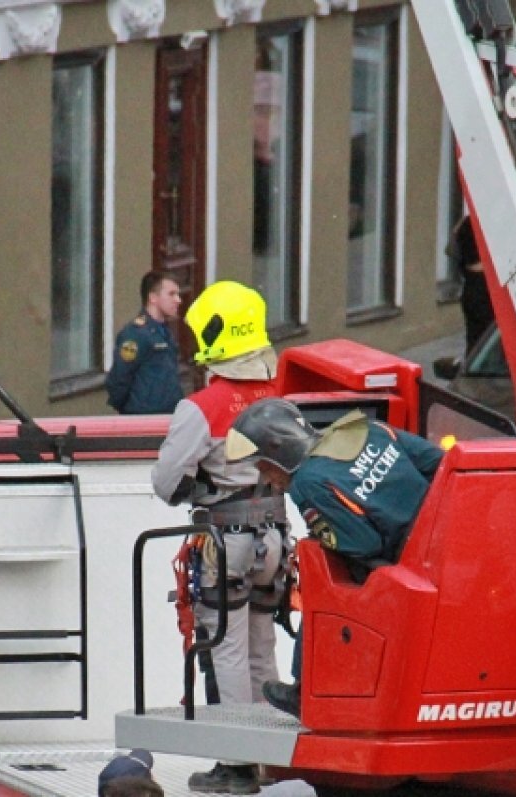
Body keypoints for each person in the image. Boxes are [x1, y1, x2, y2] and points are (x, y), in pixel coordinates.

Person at [225, 397, 444, 719]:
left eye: (265, 468)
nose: (269, 481)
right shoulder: (369, 429)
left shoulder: (307, 483)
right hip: (445, 546)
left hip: (400, 571)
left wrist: (325, 540)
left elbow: (361, 543)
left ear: (278, 450)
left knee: (321, 571)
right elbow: (436, 463)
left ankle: (305, 689)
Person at [150, 280, 285, 795]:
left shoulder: (202, 407)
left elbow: (166, 484)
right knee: (261, 649)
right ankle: (270, 756)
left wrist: (200, 483)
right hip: (274, 540)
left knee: (224, 651)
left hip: (224, 542)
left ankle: (236, 765)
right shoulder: (277, 395)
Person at [106, 270, 184, 414]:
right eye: (171, 294)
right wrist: (132, 410)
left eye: (177, 294)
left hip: (169, 417)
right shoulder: (136, 334)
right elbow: (119, 379)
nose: (178, 300)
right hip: (144, 419)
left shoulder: (164, 333)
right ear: (153, 297)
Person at [446, 214, 494, 356]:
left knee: (476, 338)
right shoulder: (488, 223)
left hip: (471, 283)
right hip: (484, 283)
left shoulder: (466, 222)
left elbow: (450, 250)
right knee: (488, 338)